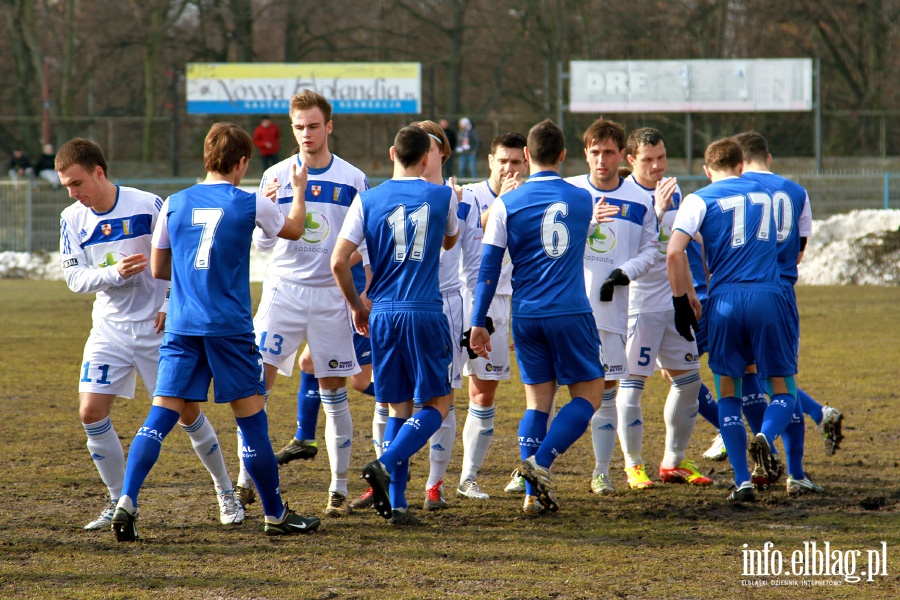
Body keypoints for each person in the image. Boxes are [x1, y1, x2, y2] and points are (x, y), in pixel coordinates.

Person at [110, 122, 320, 540]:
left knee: (160, 415)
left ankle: (126, 500)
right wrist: (299, 188)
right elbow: (295, 230)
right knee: (251, 421)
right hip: (230, 328)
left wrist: (191, 273)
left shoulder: (174, 202)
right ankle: (275, 515)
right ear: (242, 162)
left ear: (206, 157)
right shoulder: (250, 201)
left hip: (183, 325)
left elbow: (158, 268)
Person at [56, 137, 243, 532]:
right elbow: (74, 277)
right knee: (90, 412)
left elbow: (183, 257)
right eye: (67, 188)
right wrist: (113, 274)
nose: (74, 194)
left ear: (99, 172)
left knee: (188, 412)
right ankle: (117, 499)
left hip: (158, 327)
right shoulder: (72, 218)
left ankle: (225, 491)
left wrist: (167, 304)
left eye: (77, 183)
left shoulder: (148, 205)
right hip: (109, 328)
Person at [469, 119, 619, 514]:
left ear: (528, 157)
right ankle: (539, 464)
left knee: (537, 403)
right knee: (589, 394)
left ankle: (531, 498)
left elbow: (488, 269)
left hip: (526, 315)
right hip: (570, 311)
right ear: (564, 155)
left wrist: (477, 322)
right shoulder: (583, 197)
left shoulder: (505, 204)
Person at [243, 90, 369, 518]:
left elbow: (362, 244)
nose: (306, 134)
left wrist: (350, 280)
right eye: (299, 127)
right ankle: (246, 480)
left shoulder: (353, 179)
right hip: (284, 292)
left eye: (314, 126)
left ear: (329, 126)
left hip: (332, 297)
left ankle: (338, 488)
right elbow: (260, 242)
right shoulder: (274, 175)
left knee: (334, 391)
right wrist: (271, 205)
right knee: (257, 386)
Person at [332, 125, 460, 526]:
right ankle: (385, 463)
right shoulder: (442, 195)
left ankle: (399, 505)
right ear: (427, 159)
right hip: (423, 310)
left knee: (397, 407)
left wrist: (356, 306)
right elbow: (451, 241)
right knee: (438, 404)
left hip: (383, 313)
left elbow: (338, 261)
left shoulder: (366, 200)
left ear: (392, 154)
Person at [667, 137, 798, 503]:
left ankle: (741, 482)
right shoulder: (769, 193)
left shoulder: (699, 198)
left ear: (707, 170)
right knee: (783, 389)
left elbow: (674, 252)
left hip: (723, 301)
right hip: (768, 297)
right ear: (742, 166)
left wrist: (681, 301)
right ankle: (766, 438)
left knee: (729, 393)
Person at [735, 130, 841, 494]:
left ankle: (749, 467)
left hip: (729, 298)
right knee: (784, 382)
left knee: (742, 379)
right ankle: (793, 469)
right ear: (770, 157)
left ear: (737, 161)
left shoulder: (727, 191)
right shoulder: (796, 192)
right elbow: (799, 250)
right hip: (776, 295)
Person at [564, 118, 658, 493]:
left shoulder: (639, 201)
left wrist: (625, 272)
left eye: (608, 152)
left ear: (622, 155)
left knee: (606, 391)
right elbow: (550, 245)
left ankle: (601, 472)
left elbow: (652, 249)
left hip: (611, 312)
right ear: (585, 154)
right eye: (594, 152)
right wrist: (587, 222)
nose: (601, 159)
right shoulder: (570, 193)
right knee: (545, 390)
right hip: (567, 309)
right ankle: (534, 467)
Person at [621, 127, 711, 487]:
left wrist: (688, 291)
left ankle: (673, 461)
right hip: (638, 305)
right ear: (631, 161)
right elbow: (624, 255)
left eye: (661, 158)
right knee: (632, 385)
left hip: (673, 303)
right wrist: (654, 211)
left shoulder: (677, 195)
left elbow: (680, 250)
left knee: (689, 382)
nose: (656, 166)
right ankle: (633, 465)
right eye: (647, 160)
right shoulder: (625, 196)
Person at [458, 132, 529, 498]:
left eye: (516, 162)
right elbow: (466, 233)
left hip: (501, 304)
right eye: (503, 161)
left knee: (483, 394)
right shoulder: (469, 194)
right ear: (490, 161)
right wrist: (504, 202)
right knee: (436, 392)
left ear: (527, 163)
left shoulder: (530, 201)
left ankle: (467, 477)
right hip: (460, 300)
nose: (509, 168)